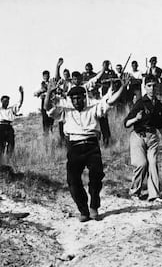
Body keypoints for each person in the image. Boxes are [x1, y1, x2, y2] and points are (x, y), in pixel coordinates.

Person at [44, 75, 129, 222]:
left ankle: (94, 207)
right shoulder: (66, 111)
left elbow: (110, 101)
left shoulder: (94, 108)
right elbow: (48, 108)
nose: (77, 101)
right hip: (74, 147)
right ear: (71, 100)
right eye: (74, 99)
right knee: (72, 180)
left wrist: (122, 87)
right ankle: (83, 210)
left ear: (84, 97)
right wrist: (49, 92)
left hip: (91, 146)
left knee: (96, 176)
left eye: (79, 98)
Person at [124, 75, 162, 202]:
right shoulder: (140, 103)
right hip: (138, 136)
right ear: (145, 87)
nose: (152, 88)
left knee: (153, 164)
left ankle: (154, 195)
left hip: (152, 137)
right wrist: (136, 119)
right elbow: (126, 123)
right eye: (149, 86)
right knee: (141, 164)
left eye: (154, 86)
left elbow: (160, 125)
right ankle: (135, 192)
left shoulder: (159, 105)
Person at [0, 86, 24, 157]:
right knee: (1, 144)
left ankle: (8, 159)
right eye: (4, 101)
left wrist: (22, 93)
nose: (6, 102)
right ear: (1, 101)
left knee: (11, 144)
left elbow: (20, 103)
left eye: (7, 101)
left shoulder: (11, 109)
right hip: (1, 126)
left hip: (8, 126)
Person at [98, 60, 117, 146]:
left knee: (104, 118)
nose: (105, 66)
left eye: (106, 65)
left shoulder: (112, 72)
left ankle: (107, 138)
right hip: (100, 96)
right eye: (104, 65)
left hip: (108, 95)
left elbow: (115, 80)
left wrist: (111, 81)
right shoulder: (100, 73)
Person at [34, 70, 54, 135]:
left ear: (49, 76)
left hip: (51, 101)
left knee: (51, 116)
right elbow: (35, 93)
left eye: (47, 75)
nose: (46, 77)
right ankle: (46, 132)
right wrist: (41, 91)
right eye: (45, 76)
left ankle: (51, 130)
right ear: (43, 77)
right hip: (44, 100)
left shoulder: (52, 83)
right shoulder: (41, 84)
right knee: (45, 118)